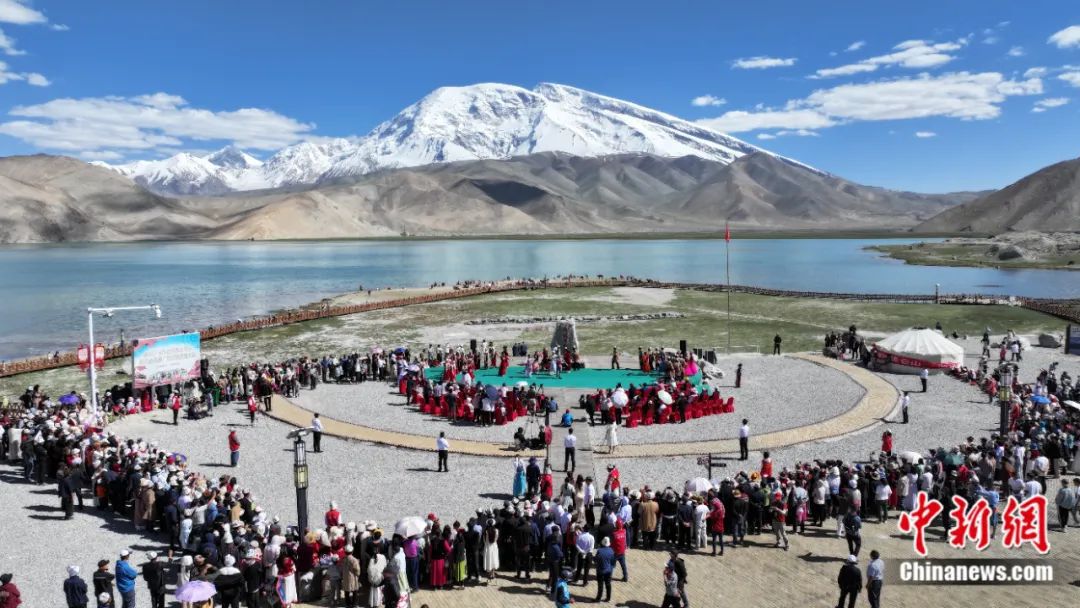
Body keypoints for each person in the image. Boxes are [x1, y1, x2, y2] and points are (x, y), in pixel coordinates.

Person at [593, 537, 614, 603]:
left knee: (600, 585)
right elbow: (613, 561)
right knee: (608, 584)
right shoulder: (611, 550)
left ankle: (598, 598)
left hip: (600, 571)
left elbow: (596, 560)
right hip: (608, 570)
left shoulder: (599, 551)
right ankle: (608, 598)